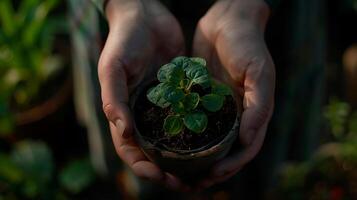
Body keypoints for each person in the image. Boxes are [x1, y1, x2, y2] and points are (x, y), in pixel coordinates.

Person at [68, 0, 326, 198]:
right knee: (141, 156)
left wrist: (247, 6)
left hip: (266, 18)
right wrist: (124, 6)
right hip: (124, 17)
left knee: (255, 172)